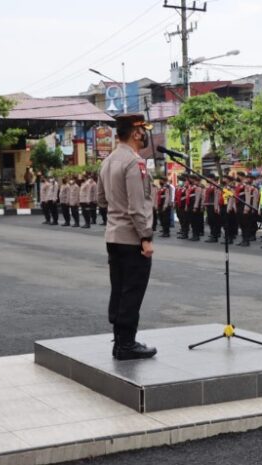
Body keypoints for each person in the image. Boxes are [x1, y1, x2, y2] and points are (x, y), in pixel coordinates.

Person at [97, 113, 157, 360]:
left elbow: (102, 200)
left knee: (119, 289)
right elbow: (136, 206)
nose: (145, 135)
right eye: (143, 130)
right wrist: (145, 237)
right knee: (132, 291)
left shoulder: (108, 160)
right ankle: (127, 344)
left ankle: (120, 341)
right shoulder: (134, 162)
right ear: (135, 132)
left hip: (113, 236)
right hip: (132, 239)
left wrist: (114, 220)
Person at [204, 173, 220, 243]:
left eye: (208, 178)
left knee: (214, 221)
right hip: (209, 205)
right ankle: (212, 234)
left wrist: (217, 206)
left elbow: (218, 196)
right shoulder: (209, 186)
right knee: (210, 221)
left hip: (213, 205)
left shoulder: (216, 186)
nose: (207, 179)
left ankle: (214, 236)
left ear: (212, 178)